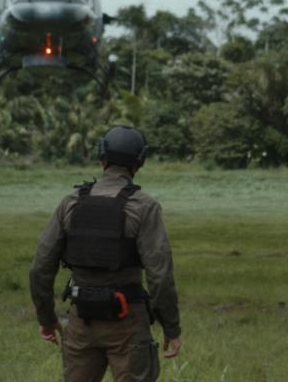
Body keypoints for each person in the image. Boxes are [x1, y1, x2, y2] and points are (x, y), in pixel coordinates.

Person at [29, 125, 182, 382]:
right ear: (139, 162)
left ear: (102, 159)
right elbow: (160, 275)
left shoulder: (71, 202)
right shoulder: (144, 206)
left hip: (81, 320)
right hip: (127, 321)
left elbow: (40, 266)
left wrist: (47, 317)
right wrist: (171, 328)